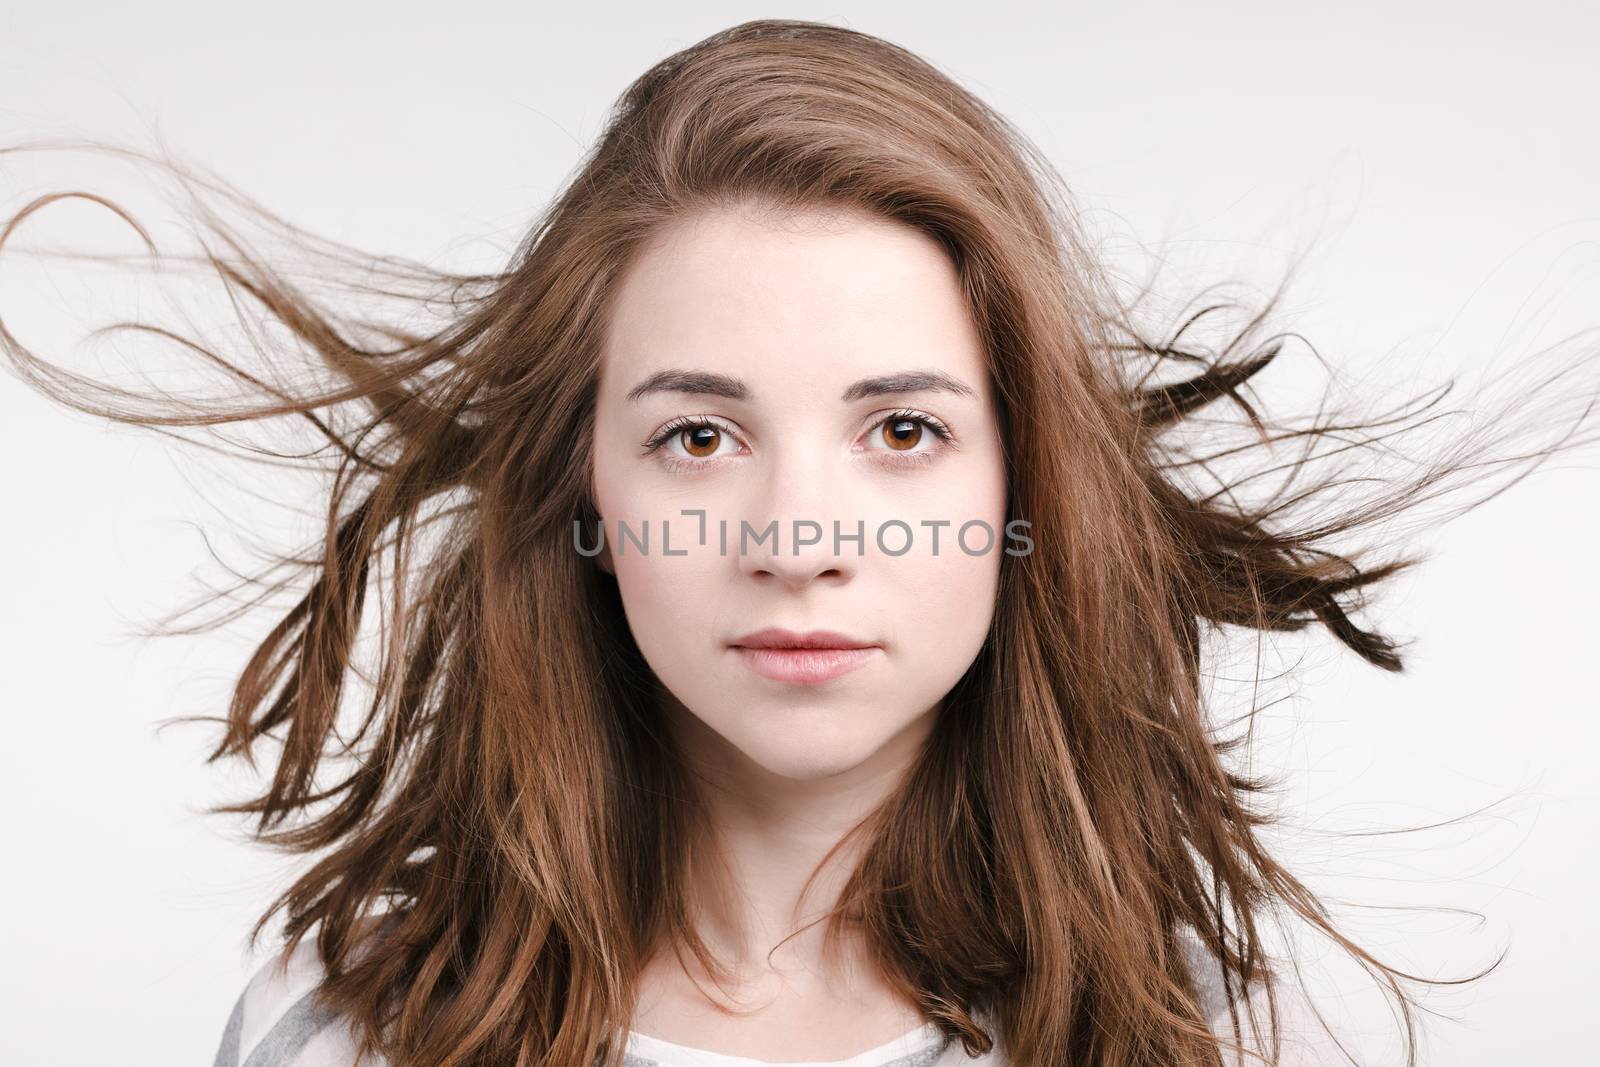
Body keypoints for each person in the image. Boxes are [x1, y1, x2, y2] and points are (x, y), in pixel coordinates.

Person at [3, 17, 1593, 1067]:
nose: (797, 539)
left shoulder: (1231, 1039)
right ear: (584, 497)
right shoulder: (333, 1038)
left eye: (902, 430)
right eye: (700, 435)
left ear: (1023, 494)